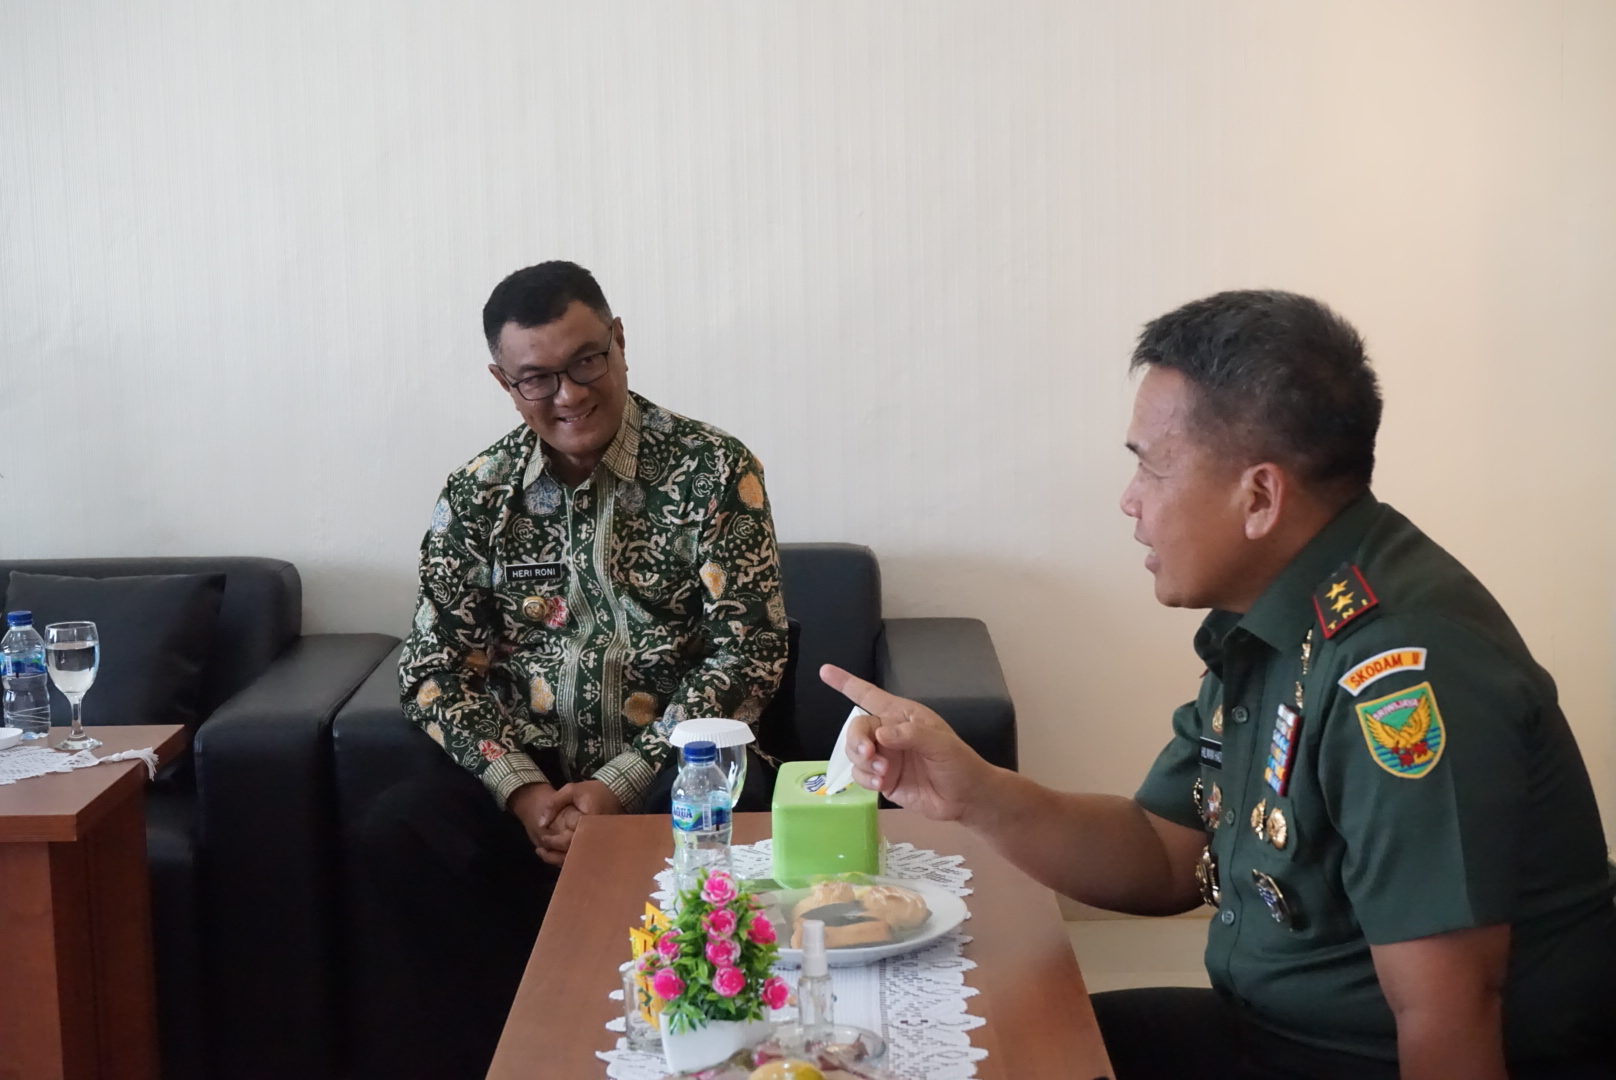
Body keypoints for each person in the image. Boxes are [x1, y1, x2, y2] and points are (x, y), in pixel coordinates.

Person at [822, 290, 1616, 1080]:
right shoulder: (1276, 617)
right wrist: (975, 792)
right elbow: (1162, 853)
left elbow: (1449, 1017)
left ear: (1260, 496)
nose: (1130, 500)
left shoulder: (1398, 671)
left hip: (1368, 1060)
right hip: (1272, 1033)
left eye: (1151, 466)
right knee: (991, 1046)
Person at [357, 260, 789, 1079]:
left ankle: (715, 1054)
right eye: (537, 378)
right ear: (504, 382)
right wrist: (522, 791)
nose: (568, 394)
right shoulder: (477, 496)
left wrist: (620, 784)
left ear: (619, 341)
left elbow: (748, 650)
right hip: (529, 785)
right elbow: (435, 669)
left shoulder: (713, 470)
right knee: (400, 827)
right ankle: (517, 1052)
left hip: (671, 772)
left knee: (737, 803)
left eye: (587, 361)